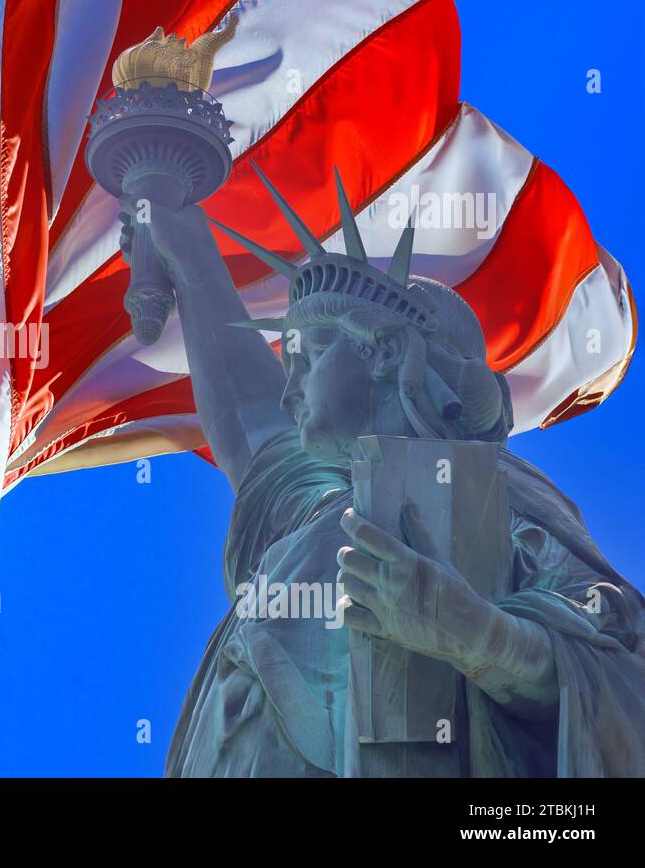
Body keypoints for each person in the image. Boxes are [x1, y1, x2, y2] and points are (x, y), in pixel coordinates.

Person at [118, 166, 645, 776]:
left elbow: (620, 669)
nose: (290, 395)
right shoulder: (320, 510)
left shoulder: (497, 498)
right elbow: (250, 423)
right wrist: (186, 246)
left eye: (310, 356)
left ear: (387, 352)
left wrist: (478, 636)